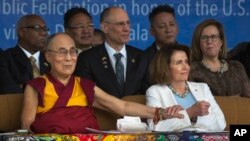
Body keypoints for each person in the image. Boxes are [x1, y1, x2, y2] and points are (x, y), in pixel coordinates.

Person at [20, 33, 183, 134]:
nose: (69, 58)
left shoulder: (84, 85)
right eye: (62, 52)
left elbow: (122, 107)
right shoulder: (35, 86)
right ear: (48, 56)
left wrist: (160, 113)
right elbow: (28, 129)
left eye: (72, 51)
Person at [146, 44, 226, 132]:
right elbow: (154, 126)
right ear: (166, 67)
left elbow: (221, 123)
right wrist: (189, 112)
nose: (186, 67)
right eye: (179, 63)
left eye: (186, 62)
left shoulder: (203, 88)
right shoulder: (155, 91)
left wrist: (195, 118)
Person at [75, 6, 144, 98]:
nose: (127, 29)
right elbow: (87, 96)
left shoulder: (142, 57)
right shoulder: (87, 59)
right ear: (105, 27)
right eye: (120, 24)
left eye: (128, 23)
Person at [189, 19, 250, 97]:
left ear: (221, 42)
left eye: (213, 37)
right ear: (198, 43)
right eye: (204, 38)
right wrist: (229, 102)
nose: (209, 41)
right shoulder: (191, 70)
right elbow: (194, 102)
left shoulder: (237, 67)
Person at [0, 14, 50, 94]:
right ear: (22, 32)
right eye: (37, 28)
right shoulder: (5, 59)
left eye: (45, 29)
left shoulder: (51, 58)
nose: (44, 33)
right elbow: (8, 90)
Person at [140, 5, 180, 90]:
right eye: (162, 26)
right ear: (152, 32)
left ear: (177, 28)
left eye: (172, 24)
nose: (168, 30)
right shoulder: (144, 59)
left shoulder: (189, 54)